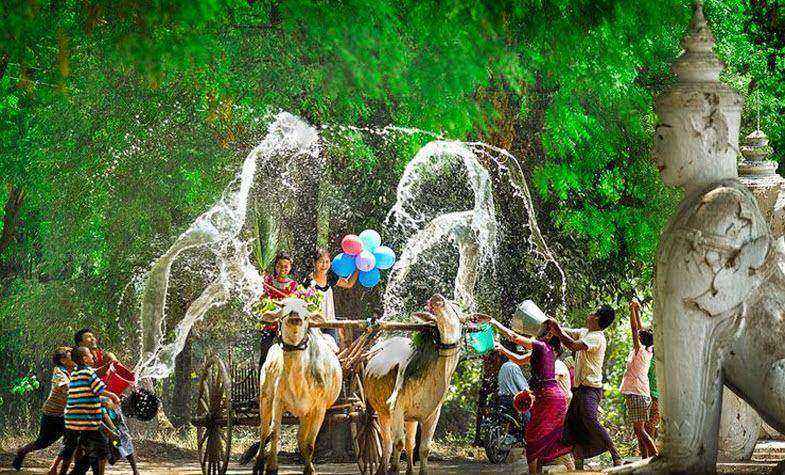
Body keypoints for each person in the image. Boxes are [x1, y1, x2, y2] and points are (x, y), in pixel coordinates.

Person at [489, 319, 574, 474]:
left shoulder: (541, 346)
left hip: (548, 397)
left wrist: (494, 322)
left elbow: (514, 337)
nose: (538, 330)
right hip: (553, 398)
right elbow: (519, 360)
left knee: (533, 438)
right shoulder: (544, 349)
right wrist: (502, 349)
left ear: (548, 335)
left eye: (542, 328)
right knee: (542, 437)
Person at [548, 305, 622, 468]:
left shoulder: (597, 337)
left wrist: (558, 332)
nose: (589, 314)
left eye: (593, 312)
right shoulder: (585, 332)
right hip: (580, 389)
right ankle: (577, 461)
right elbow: (566, 332)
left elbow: (573, 345)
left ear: (596, 318)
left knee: (590, 419)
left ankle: (615, 453)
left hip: (591, 389)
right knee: (572, 425)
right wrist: (554, 327)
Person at [13, 347, 75, 472]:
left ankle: (57, 468)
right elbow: (66, 388)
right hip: (52, 414)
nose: (74, 356)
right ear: (63, 360)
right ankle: (22, 451)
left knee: (72, 441)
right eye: (71, 355)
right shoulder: (59, 372)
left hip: (65, 414)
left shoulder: (74, 370)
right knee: (43, 442)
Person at [60, 347, 120, 475]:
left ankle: (74, 472)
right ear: (85, 359)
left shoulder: (75, 373)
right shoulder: (88, 372)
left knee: (83, 449)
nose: (93, 356)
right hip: (87, 421)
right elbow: (99, 390)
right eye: (90, 355)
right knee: (102, 450)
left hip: (71, 421)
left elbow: (88, 393)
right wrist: (113, 396)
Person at [619, 299, 657, 459]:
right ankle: (644, 459)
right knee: (639, 430)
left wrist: (632, 311)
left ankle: (654, 455)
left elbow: (635, 329)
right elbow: (641, 330)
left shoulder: (640, 351)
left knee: (640, 430)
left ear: (641, 339)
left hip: (637, 394)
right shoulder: (648, 350)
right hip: (639, 393)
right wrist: (636, 310)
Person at [305, 248, 358, 347]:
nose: (324, 265)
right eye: (321, 262)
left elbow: (348, 284)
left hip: (330, 322)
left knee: (333, 348)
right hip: (314, 323)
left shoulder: (331, 277)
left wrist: (358, 269)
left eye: (327, 262)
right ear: (314, 263)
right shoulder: (309, 281)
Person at [495, 339, 530, 440]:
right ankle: (527, 437)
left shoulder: (503, 366)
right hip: (512, 399)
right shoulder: (514, 367)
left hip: (502, 398)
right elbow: (523, 387)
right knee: (528, 415)